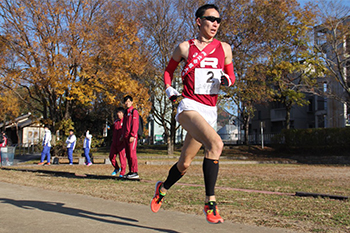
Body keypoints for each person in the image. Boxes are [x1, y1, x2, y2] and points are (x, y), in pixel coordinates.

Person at [150, 4, 235, 224]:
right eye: (211, 19)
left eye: (218, 20)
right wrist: (170, 91)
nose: (215, 24)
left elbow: (232, 77)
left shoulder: (225, 48)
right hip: (188, 106)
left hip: (209, 111)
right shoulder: (184, 48)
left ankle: (163, 188)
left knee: (185, 164)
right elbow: (168, 72)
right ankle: (210, 202)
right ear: (199, 21)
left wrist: (228, 80)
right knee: (216, 145)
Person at [121, 95, 140, 179]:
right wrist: (122, 135)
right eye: (126, 101)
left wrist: (132, 135)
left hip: (132, 136)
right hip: (126, 136)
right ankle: (130, 171)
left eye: (129, 101)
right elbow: (124, 125)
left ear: (132, 102)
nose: (127, 103)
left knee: (132, 154)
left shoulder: (134, 112)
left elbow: (135, 124)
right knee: (128, 154)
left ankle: (135, 171)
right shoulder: (125, 113)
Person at [109, 107, 126, 177]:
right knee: (111, 156)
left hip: (121, 144)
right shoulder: (115, 122)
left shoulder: (125, 121)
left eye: (120, 113)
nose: (118, 114)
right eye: (117, 113)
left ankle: (122, 172)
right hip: (114, 143)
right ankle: (116, 168)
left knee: (122, 159)